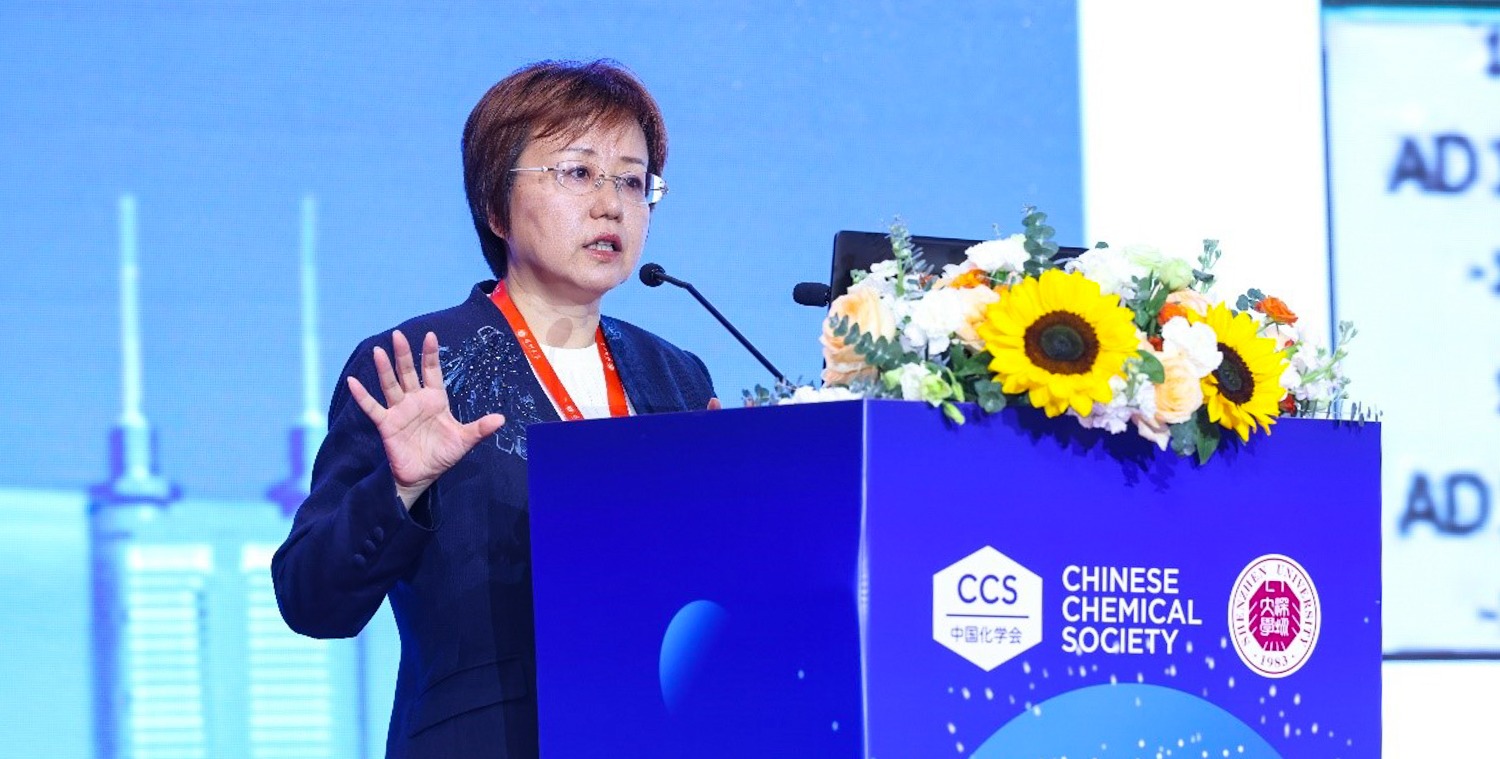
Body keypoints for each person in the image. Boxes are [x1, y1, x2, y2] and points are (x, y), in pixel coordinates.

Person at [271, 60, 717, 759]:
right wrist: (400, 487)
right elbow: (311, 600)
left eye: (633, 181)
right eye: (578, 173)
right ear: (495, 206)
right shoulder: (418, 364)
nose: (611, 205)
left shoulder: (677, 376)